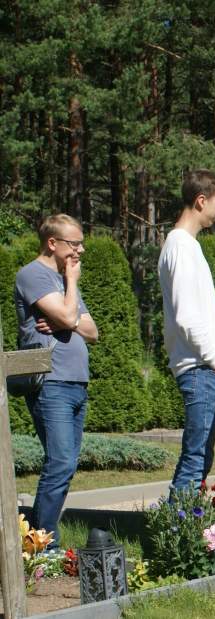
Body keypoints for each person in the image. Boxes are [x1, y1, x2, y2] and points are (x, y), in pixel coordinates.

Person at [14, 214, 99, 547]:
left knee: (66, 465)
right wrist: (71, 296)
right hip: (51, 382)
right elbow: (67, 315)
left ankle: (37, 537)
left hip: (76, 382)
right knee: (60, 461)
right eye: (74, 244)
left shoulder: (63, 280)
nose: (80, 251)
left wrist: (68, 321)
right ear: (53, 243)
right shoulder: (32, 275)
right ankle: (43, 544)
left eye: (81, 244)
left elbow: (92, 332)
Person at [159, 170, 215, 493]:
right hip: (201, 368)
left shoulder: (187, 245)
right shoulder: (180, 246)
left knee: (200, 457)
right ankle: (177, 536)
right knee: (195, 458)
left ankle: (184, 529)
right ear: (201, 201)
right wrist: (212, 359)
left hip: (206, 367)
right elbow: (187, 315)